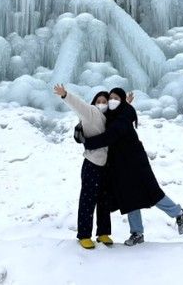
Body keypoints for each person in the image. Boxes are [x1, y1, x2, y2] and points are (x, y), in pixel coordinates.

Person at [82, 87, 183, 246]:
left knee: (153, 193)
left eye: (116, 99)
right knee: (129, 196)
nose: (111, 101)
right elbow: (96, 123)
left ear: (122, 101)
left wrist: (89, 143)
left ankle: (179, 213)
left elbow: (110, 136)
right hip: (120, 165)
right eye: (110, 98)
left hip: (136, 162)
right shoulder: (113, 115)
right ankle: (137, 233)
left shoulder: (124, 115)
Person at [54, 84, 113, 250]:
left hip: (105, 166)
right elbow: (79, 104)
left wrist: (128, 103)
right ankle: (84, 235)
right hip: (92, 165)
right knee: (88, 200)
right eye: (99, 101)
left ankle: (103, 233)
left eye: (105, 101)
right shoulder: (91, 113)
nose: (102, 104)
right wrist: (65, 95)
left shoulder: (109, 119)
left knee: (103, 201)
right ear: (94, 103)